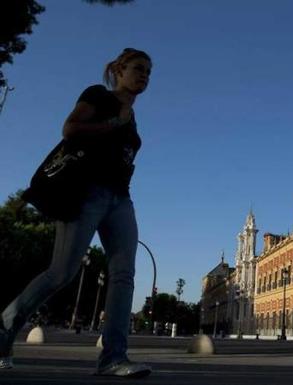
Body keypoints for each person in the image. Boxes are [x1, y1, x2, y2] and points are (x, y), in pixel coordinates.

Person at [0, 48, 152, 378]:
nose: (144, 76)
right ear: (120, 69)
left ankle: (113, 358)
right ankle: (4, 327)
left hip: (120, 199)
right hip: (86, 192)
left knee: (124, 274)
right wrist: (114, 123)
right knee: (62, 272)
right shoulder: (99, 95)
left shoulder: (133, 115)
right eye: (139, 68)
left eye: (148, 73)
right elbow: (70, 129)